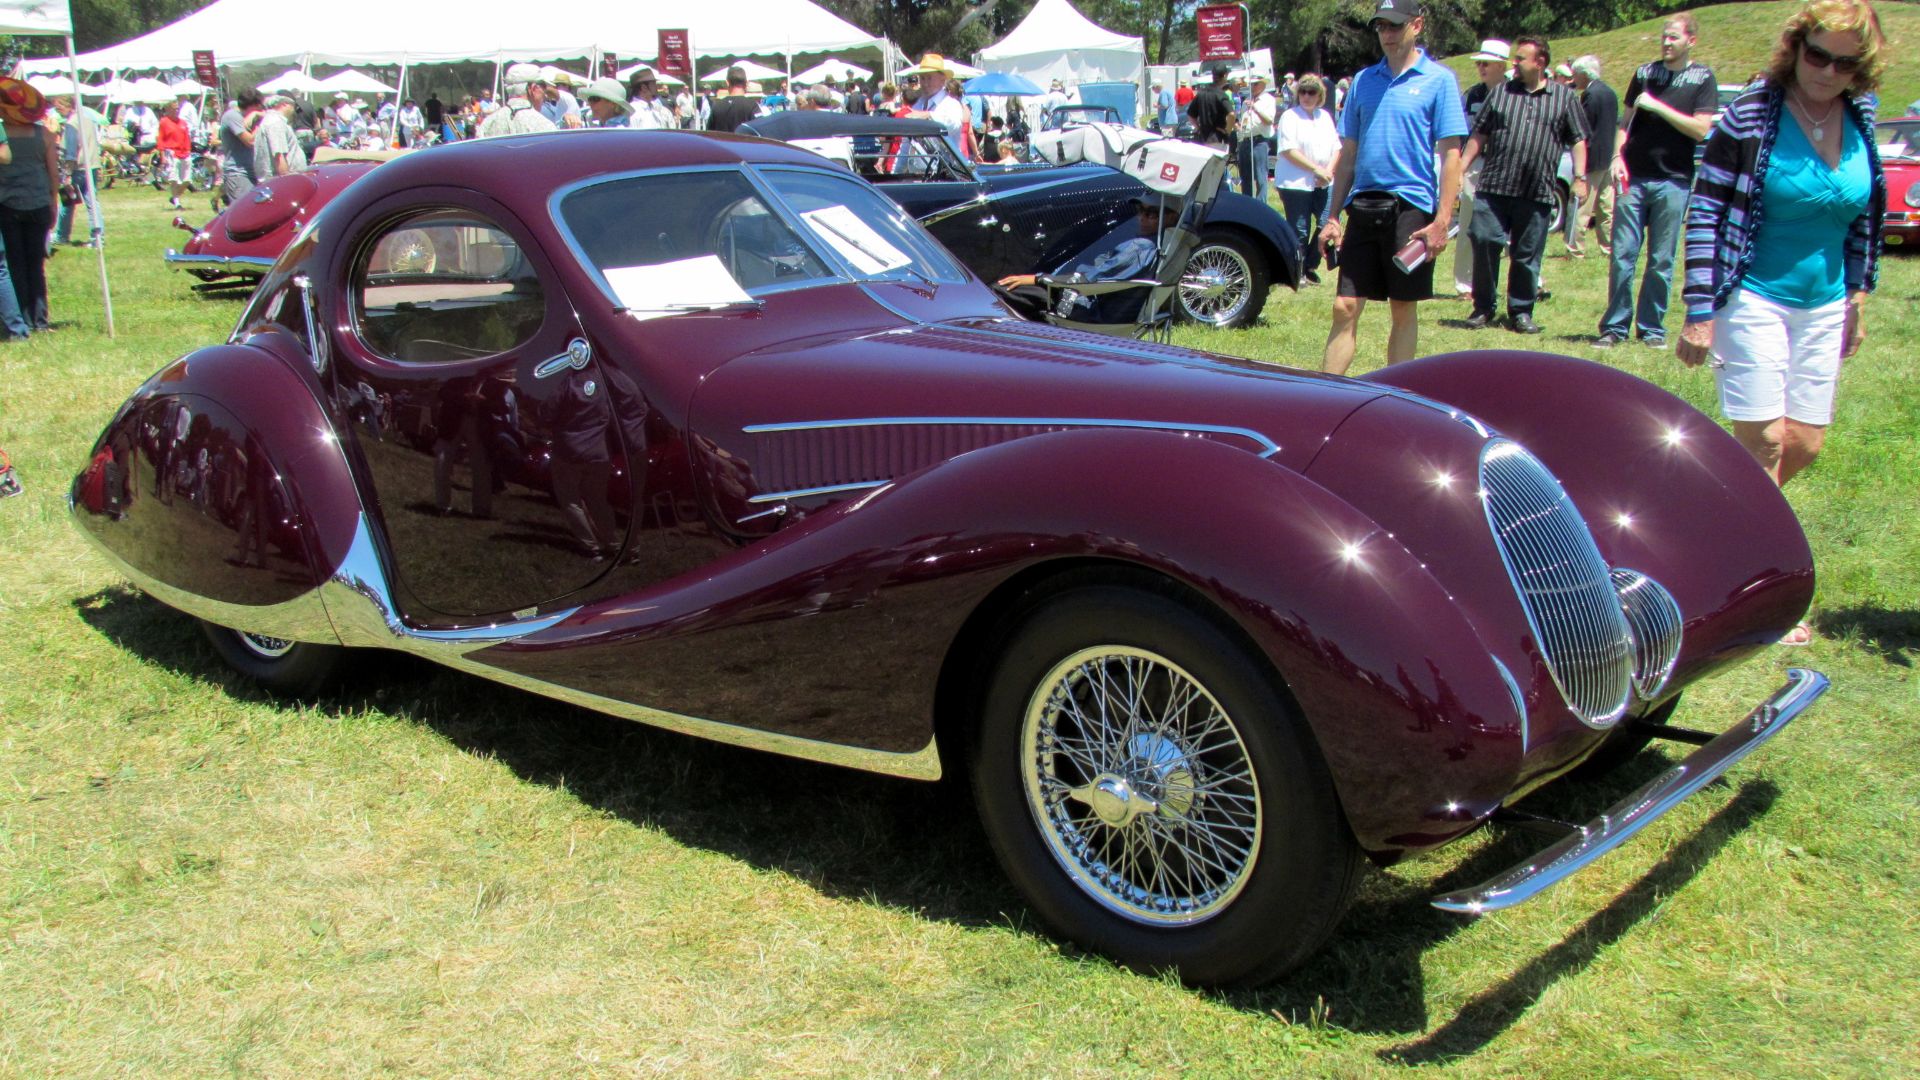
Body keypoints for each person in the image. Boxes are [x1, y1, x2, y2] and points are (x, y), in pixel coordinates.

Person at [1677, 0, 1886, 502]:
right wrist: (1700, 310)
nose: (1829, 72)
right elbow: (1705, 213)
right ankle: (1754, 563)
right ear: (1795, 49)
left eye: (1846, 63)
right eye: (1818, 56)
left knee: (1805, 443)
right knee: (1765, 441)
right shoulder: (1749, 114)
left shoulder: (1860, 119)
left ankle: (1711, 511)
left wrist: (1856, 298)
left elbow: (1862, 221)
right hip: (1753, 297)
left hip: (1826, 304)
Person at [1318, 0, 1467, 374]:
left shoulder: (1439, 80)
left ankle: (1397, 396)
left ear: (1416, 26)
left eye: (1395, 26)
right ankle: (1324, 396)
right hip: (1363, 205)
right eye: (1381, 27)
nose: (1387, 34)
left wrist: (1442, 220)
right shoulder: (1364, 81)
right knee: (1344, 306)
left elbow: (1452, 156)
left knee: (1403, 307)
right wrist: (1331, 215)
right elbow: (1348, 153)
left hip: (1411, 207)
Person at [1595, 14, 1718, 348]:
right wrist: (1617, 157)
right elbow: (1625, 123)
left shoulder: (1702, 78)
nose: (1666, 42)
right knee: (1622, 254)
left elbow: (1700, 129)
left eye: (1674, 37)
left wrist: (1659, 107)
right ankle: (1615, 327)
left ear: (1691, 41)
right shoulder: (1644, 74)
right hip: (1634, 178)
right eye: (1664, 36)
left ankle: (1651, 328)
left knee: (1661, 260)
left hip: (1674, 181)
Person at [1458, 37, 1589, 335]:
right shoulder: (1501, 93)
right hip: (1494, 187)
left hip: (1536, 190)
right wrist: (1461, 168)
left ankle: (1521, 311)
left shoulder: (1563, 97)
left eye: (1520, 59)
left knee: (1527, 254)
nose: (1514, 64)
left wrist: (1580, 177)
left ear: (1540, 62)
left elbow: (1578, 139)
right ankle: (1483, 306)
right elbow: (1480, 134)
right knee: (1483, 239)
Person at [996, 197, 1169, 322]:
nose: (1141, 217)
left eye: (1151, 214)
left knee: (1001, 290)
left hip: (1087, 309)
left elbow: (1086, 280)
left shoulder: (1140, 248)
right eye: (1140, 210)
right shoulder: (1165, 247)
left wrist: (1038, 279)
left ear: (1172, 217)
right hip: (1102, 307)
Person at [1451, 39, 1509, 298]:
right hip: (1476, 163)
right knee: (1468, 224)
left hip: (1507, 164)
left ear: (1501, 64)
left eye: (1486, 63)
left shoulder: (1515, 92)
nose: (1481, 68)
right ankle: (1465, 284)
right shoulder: (1473, 94)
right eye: (1479, 63)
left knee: (1513, 226)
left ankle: (1528, 282)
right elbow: (1462, 132)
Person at [0, 79, 58, 335]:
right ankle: (40, 320)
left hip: (7, 204)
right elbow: (53, 174)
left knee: (15, 265)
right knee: (36, 264)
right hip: (38, 203)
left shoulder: (3, 137)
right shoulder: (44, 134)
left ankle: (21, 319)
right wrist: (54, 201)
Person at [1273, 75, 1340, 286]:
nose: (1306, 96)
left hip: (1324, 181)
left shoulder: (1325, 117)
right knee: (1300, 229)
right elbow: (1288, 150)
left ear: (1320, 95)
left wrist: (1327, 171)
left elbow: (1337, 147)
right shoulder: (1290, 117)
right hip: (1296, 182)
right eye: (1303, 92)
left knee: (1326, 223)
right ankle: (1296, 271)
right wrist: (1316, 170)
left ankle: (1309, 264)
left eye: (1312, 92)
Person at [1568, 55, 1619, 258]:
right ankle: (1608, 247)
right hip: (1608, 155)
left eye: (1576, 74)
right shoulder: (1610, 92)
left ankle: (1576, 249)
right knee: (1607, 207)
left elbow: (1583, 127)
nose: (1574, 78)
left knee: (1583, 207)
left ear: (1584, 74)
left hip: (1592, 157)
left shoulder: (1589, 94)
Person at [51, 95, 102, 249]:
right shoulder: (88, 119)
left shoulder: (72, 124)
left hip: (78, 168)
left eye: (59, 107)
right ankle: (98, 237)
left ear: (68, 105)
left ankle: (62, 235)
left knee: (68, 201)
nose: (57, 110)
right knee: (92, 202)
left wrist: (66, 174)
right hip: (91, 165)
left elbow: (71, 152)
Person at [479, 64, 556, 138]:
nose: (545, 94)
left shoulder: (487, 124)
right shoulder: (544, 126)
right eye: (544, 87)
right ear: (533, 88)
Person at [1236, 76, 1278, 202]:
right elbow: (1242, 119)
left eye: (1256, 84)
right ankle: (1247, 203)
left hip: (1260, 140)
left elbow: (1269, 120)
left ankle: (1261, 204)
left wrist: (1255, 108)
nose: (1252, 87)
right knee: (1245, 175)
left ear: (1263, 85)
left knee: (1260, 175)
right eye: (1251, 84)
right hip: (1246, 139)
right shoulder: (1246, 100)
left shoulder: (1268, 100)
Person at [217, 89, 261, 204]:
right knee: (244, 210)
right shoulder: (232, 116)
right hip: (238, 172)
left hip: (251, 170)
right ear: (252, 106)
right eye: (258, 107)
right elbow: (250, 141)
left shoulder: (250, 118)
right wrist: (259, 125)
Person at [256, 95, 305, 177]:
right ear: (285, 104)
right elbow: (279, 155)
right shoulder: (275, 123)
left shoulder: (275, 121)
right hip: (283, 180)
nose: (294, 111)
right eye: (293, 107)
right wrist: (286, 181)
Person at [156, 100, 192, 210]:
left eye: (178, 108)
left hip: (185, 153)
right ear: (168, 109)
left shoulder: (183, 123)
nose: (177, 110)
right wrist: (162, 156)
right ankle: (177, 203)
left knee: (187, 180)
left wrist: (188, 151)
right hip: (171, 152)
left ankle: (175, 197)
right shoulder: (164, 122)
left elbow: (187, 138)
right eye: (174, 108)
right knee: (174, 179)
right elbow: (160, 139)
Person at [1187, 68, 1233, 151]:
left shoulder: (1201, 93)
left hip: (1203, 139)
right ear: (1225, 75)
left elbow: (1190, 114)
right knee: (1218, 164)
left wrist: (1198, 127)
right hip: (1218, 138)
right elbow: (1232, 114)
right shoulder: (1221, 94)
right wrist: (1228, 130)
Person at [707, 67, 759, 133]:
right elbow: (760, 130)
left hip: (722, 143)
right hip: (745, 142)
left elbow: (709, 133)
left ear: (727, 83)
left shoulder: (717, 106)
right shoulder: (752, 106)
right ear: (746, 83)